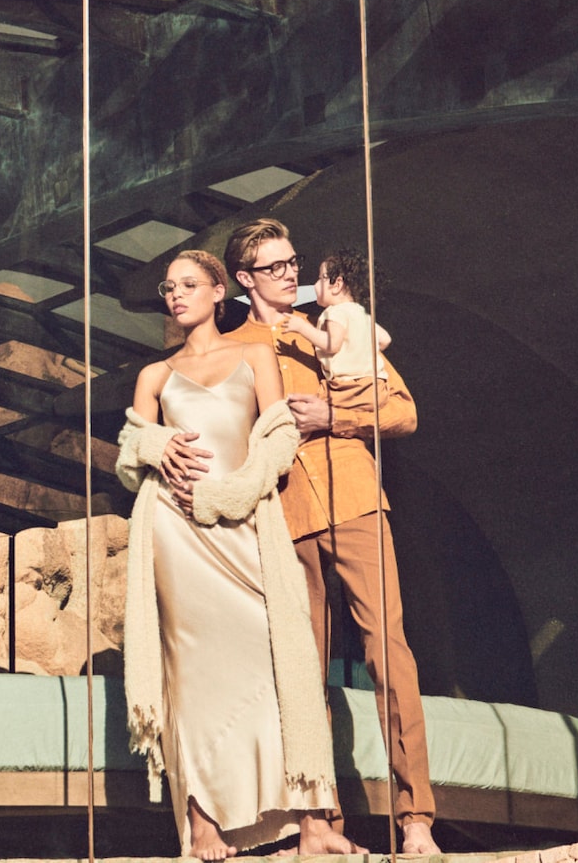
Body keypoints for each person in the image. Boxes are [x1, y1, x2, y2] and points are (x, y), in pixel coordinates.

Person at [114, 249, 350, 859]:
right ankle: (202, 824)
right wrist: (156, 443)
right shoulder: (154, 376)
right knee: (191, 676)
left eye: (189, 284)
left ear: (221, 291)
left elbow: (278, 440)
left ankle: (306, 817)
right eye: (168, 287)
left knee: (277, 665)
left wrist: (235, 491)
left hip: (244, 527)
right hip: (176, 531)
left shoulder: (254, 355)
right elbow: (126, 456)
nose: (176, 295)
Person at [224, 218, 440, 855]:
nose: (291, 274)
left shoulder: (337, 328)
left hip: (355, 501)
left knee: (388, 653)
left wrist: (335, 415)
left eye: (293, 263)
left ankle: (417, 820)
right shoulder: (235, 343)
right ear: (245, 279)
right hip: (283, 520)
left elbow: (403, 411)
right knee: (302, 674)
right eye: (275, 267)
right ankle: (321, 827)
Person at [282, 248, 391, 415]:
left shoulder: (335, 312)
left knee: (307, 408)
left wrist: (302, 327)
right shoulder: (360, 313)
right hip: (378, 387)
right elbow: (384, 340)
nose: (315, 285)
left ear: (337, 285)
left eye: (320, 279)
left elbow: (332, 345)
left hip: (349, 387)